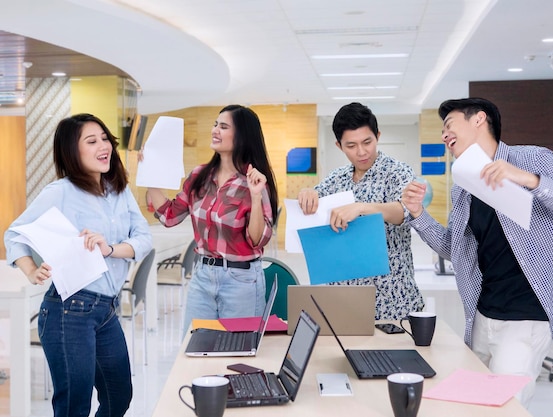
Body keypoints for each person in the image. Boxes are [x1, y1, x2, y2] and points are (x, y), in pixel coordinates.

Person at [401, 97, 553, 407]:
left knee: (505, 406)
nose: (444, 135)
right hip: (484, 313)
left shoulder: (534, 159)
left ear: (479, 120)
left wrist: (530, 181)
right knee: (476, 404)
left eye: (449, 125)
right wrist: (417, 214)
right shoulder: (463, 186)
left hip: (529, 312)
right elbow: (454, 248)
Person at [4, 114, 153, 417]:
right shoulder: (60, 192)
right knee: (74, 406)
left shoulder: (119, 191)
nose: (104, 146)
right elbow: (14, 234)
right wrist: (31, 269)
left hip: (106, 310)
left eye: (104, 138)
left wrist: (110, 249)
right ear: (73, 151)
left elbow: (144, 239)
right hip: (68, 312)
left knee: (118, 396)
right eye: (92, 140)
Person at [145, 104, 278, 334]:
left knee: (237, 353)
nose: (215, 130)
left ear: (241, 136)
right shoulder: (199, 175)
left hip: (242, 280)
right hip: (203, 276)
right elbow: (169, 216)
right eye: (215, 124)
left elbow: (257, 240)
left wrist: (256, 197)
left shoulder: (254, 181)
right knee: (194, 349)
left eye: (223, 126)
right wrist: (149, 172)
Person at [298, 102, 424, 320]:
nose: (362, 152)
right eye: (351, 145)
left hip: (391, 296)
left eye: (367, 142)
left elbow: (404, 211)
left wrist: (362, 208)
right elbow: (314, 200)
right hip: (344, 296)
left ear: (378, 136)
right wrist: (308, 193)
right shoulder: (337, 178)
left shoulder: (397, 171)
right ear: (339, 146)